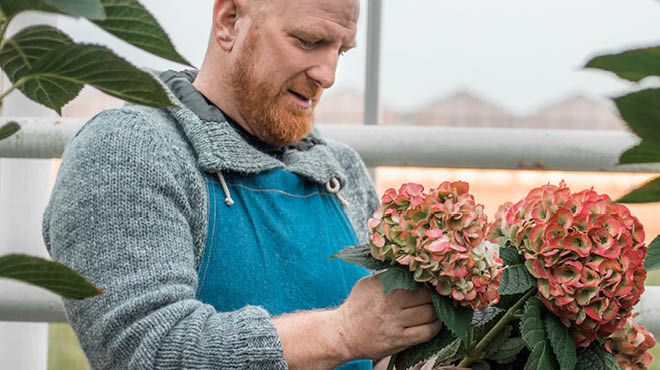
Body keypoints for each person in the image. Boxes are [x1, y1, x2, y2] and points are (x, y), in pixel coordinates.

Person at [43, 0, 460, 369]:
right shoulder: (129, 149)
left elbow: (382, 350)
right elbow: (143, 349)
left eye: (341, 50)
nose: (328, 74)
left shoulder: (341, 168)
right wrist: (342, 332)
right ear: (228, 20)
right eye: (308, 40)